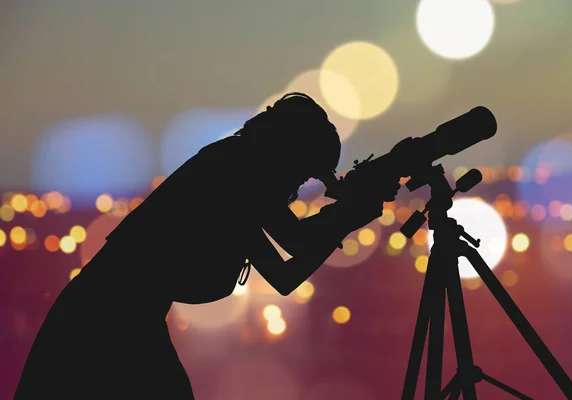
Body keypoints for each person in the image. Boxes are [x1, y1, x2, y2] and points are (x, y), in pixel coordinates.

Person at [14, 92, 401, 399]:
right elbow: (295, 248)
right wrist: (350, 214)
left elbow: (289, 261)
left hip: (113, 317)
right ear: (288, 152)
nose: (298, 187)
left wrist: (348, 215)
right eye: (303, 173)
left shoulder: (233, 165)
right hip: (108, 322)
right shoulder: (239, 171)